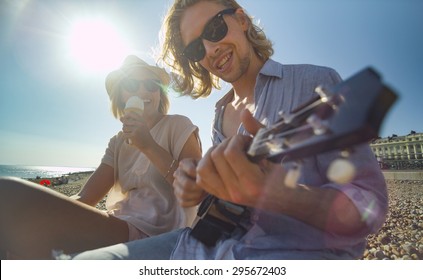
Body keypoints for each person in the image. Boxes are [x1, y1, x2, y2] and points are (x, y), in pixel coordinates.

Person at [71, 0, 388, 260]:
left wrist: (279, 194)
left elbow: (368, 208)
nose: (210, 50)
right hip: (204, 246)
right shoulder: (219, 113)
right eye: (196, 49)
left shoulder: (313, 82)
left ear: (242, 19)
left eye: (214, 28)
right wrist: (200, 188)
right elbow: (226, 207)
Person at [0, 55, 202, 259]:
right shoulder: (118, 142)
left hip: (157, 235)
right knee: (15, 235)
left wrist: (148, 145)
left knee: (8, 193)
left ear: (160, 93)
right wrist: (47, 211)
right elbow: (86, 198)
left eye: (151, 84)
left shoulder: (178, 125)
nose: (142, 91)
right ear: (121, 95)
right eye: (132, 84)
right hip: (118, 223)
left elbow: (196, 188)